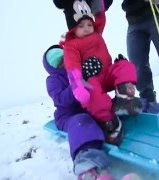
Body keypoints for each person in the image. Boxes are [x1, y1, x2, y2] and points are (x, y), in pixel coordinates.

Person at [55, 0, 143, 145]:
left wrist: (98, 5)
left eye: (89, 24)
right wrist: (77, 86)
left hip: (107, 73)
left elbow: (100, 16)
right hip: (92, 80)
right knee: (92, 95)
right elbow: (72, 67)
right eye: (81, 26)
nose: (87, 28)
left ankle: (125, 99)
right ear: (72, 28)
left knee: (124, 66)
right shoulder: (71, 45)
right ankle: (110, 122)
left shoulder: (96, 33)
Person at [43, 44, 114, 180]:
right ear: (52, 67)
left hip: (88, 109)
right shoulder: (53, 80)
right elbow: (60, 99)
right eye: (58, 63)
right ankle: (86, 163)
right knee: (81, 122)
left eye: (64, 59)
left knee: (108, 109)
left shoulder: (78, 69)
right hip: (69, 116)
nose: (63, 64)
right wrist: (77, 84)